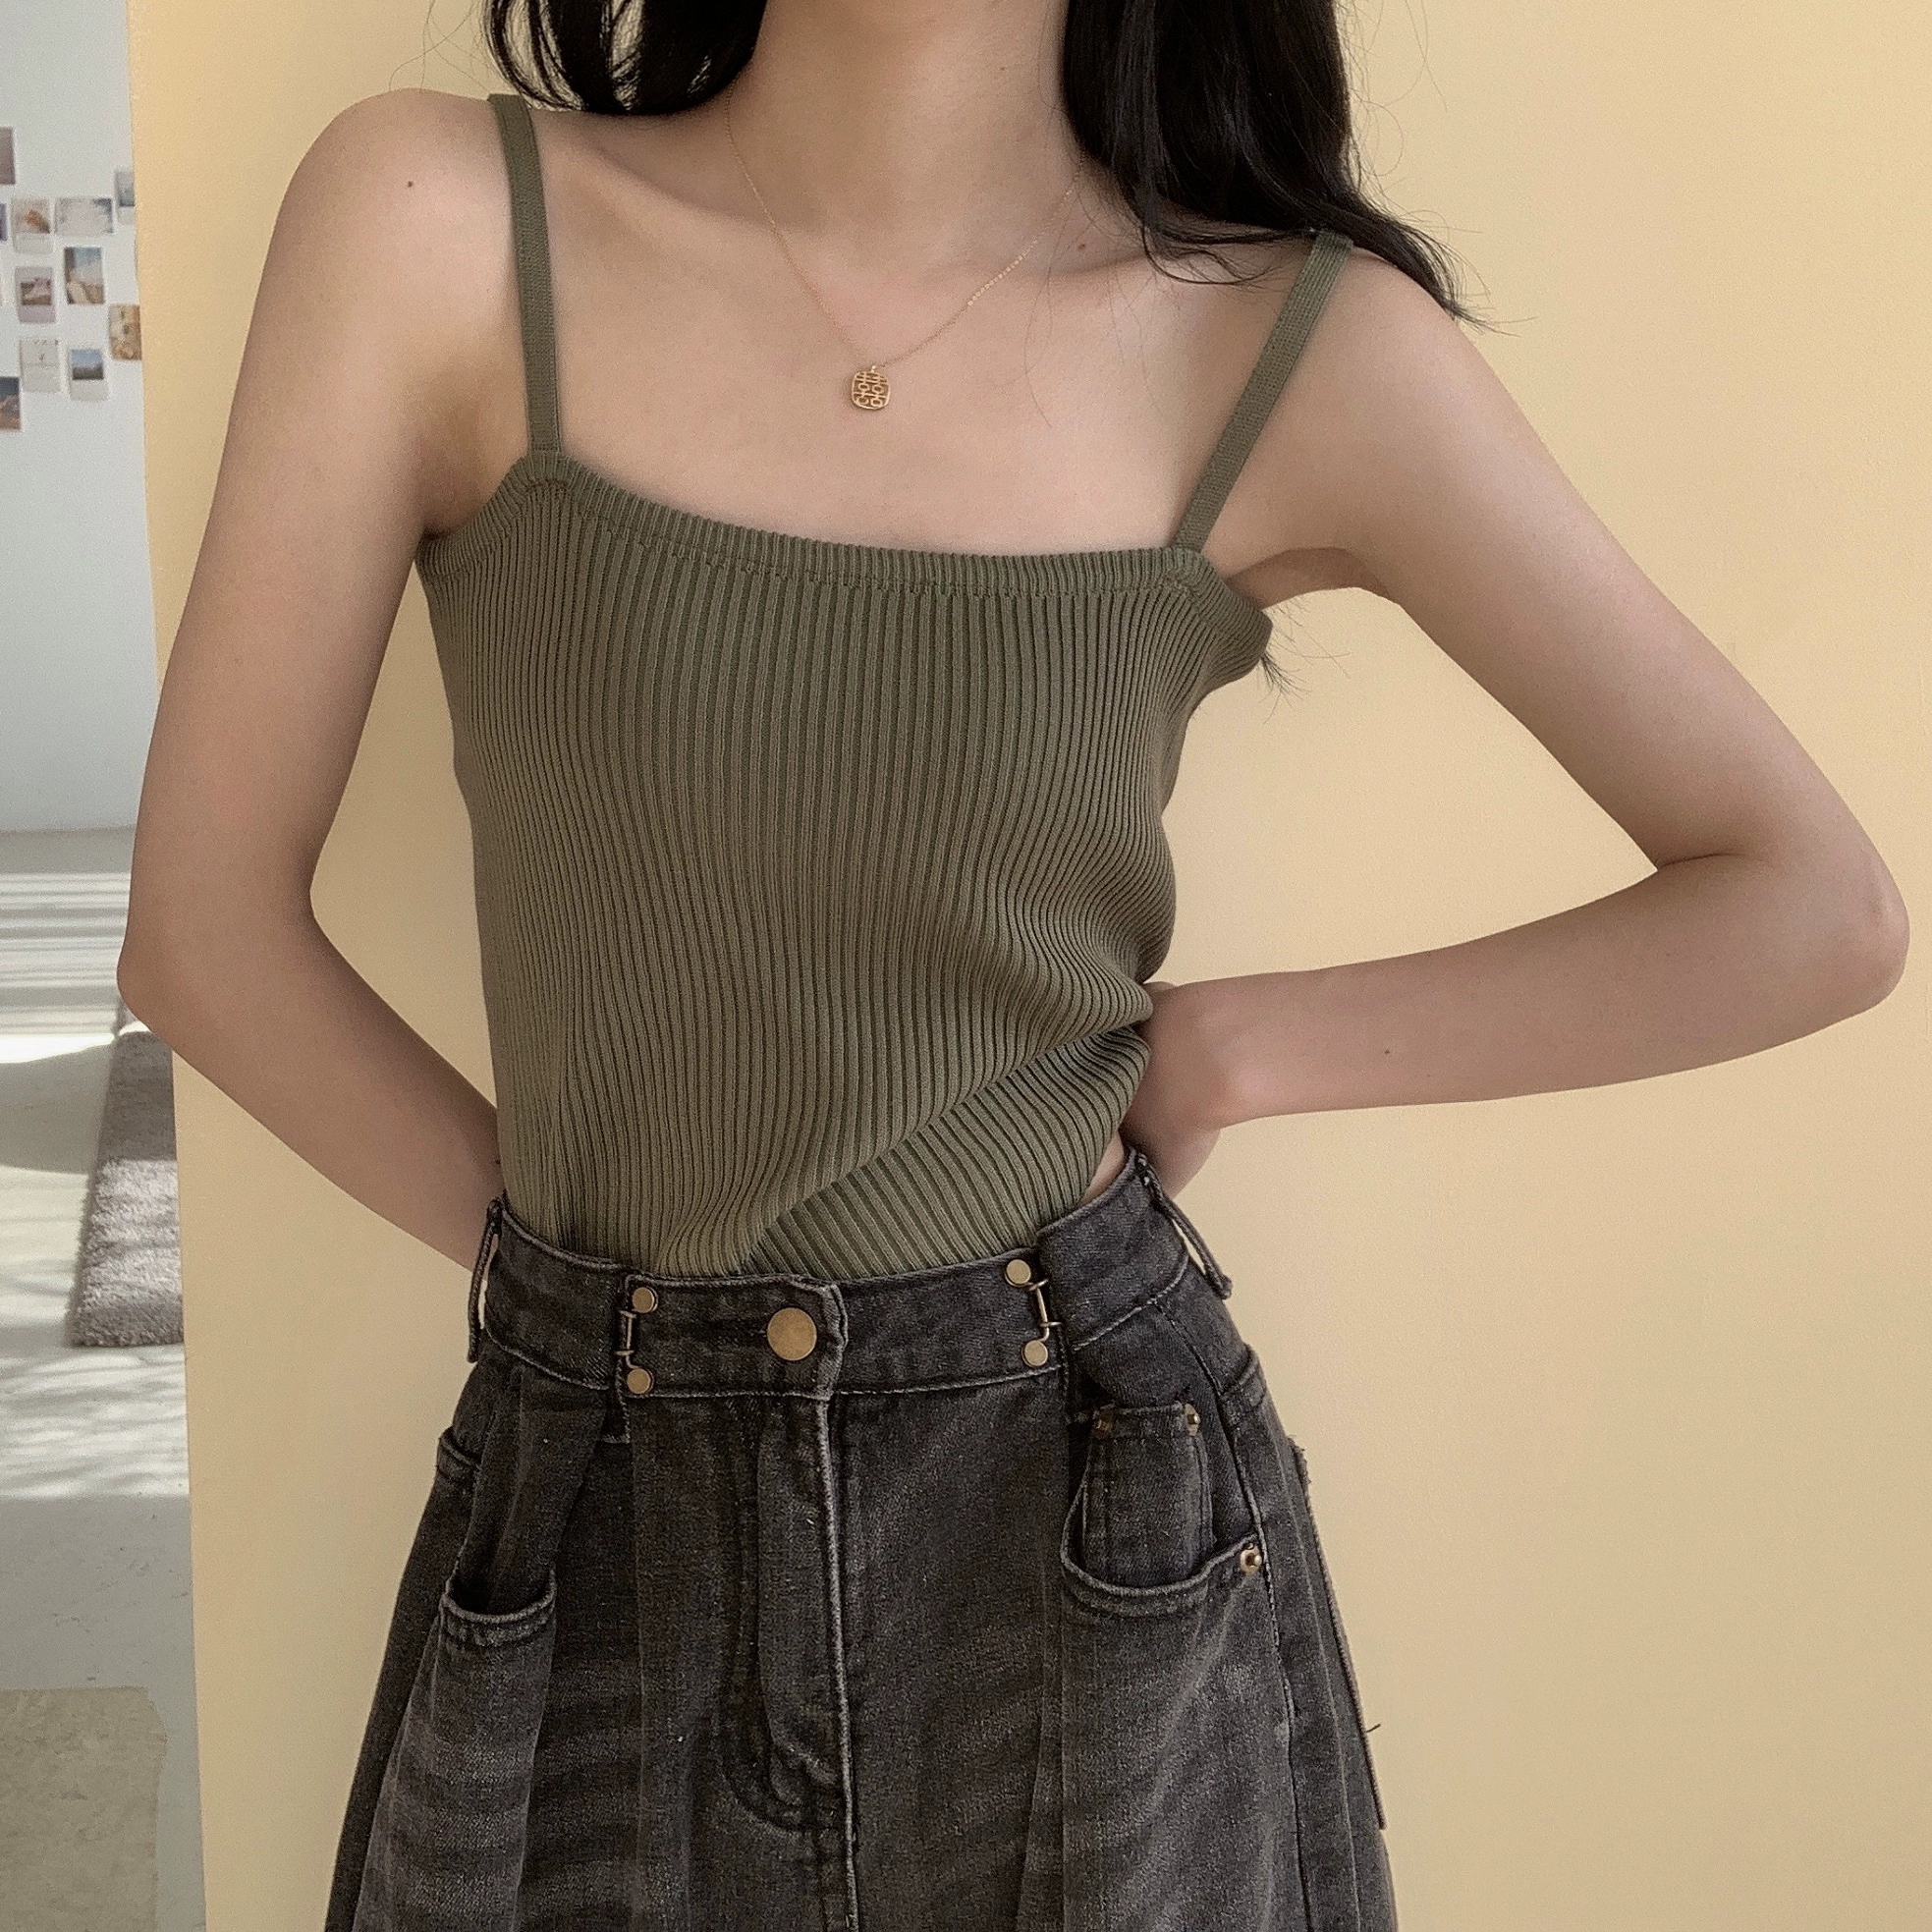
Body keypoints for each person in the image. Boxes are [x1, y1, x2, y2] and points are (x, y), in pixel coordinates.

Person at [118, 0, 1908, 1926]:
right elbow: (204, 932)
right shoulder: (437, 221)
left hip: (1087, 1503)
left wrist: (1235, 1047)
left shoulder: (1279, 343)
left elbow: (1807, 904)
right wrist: (584, 1316)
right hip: (590, 1498)